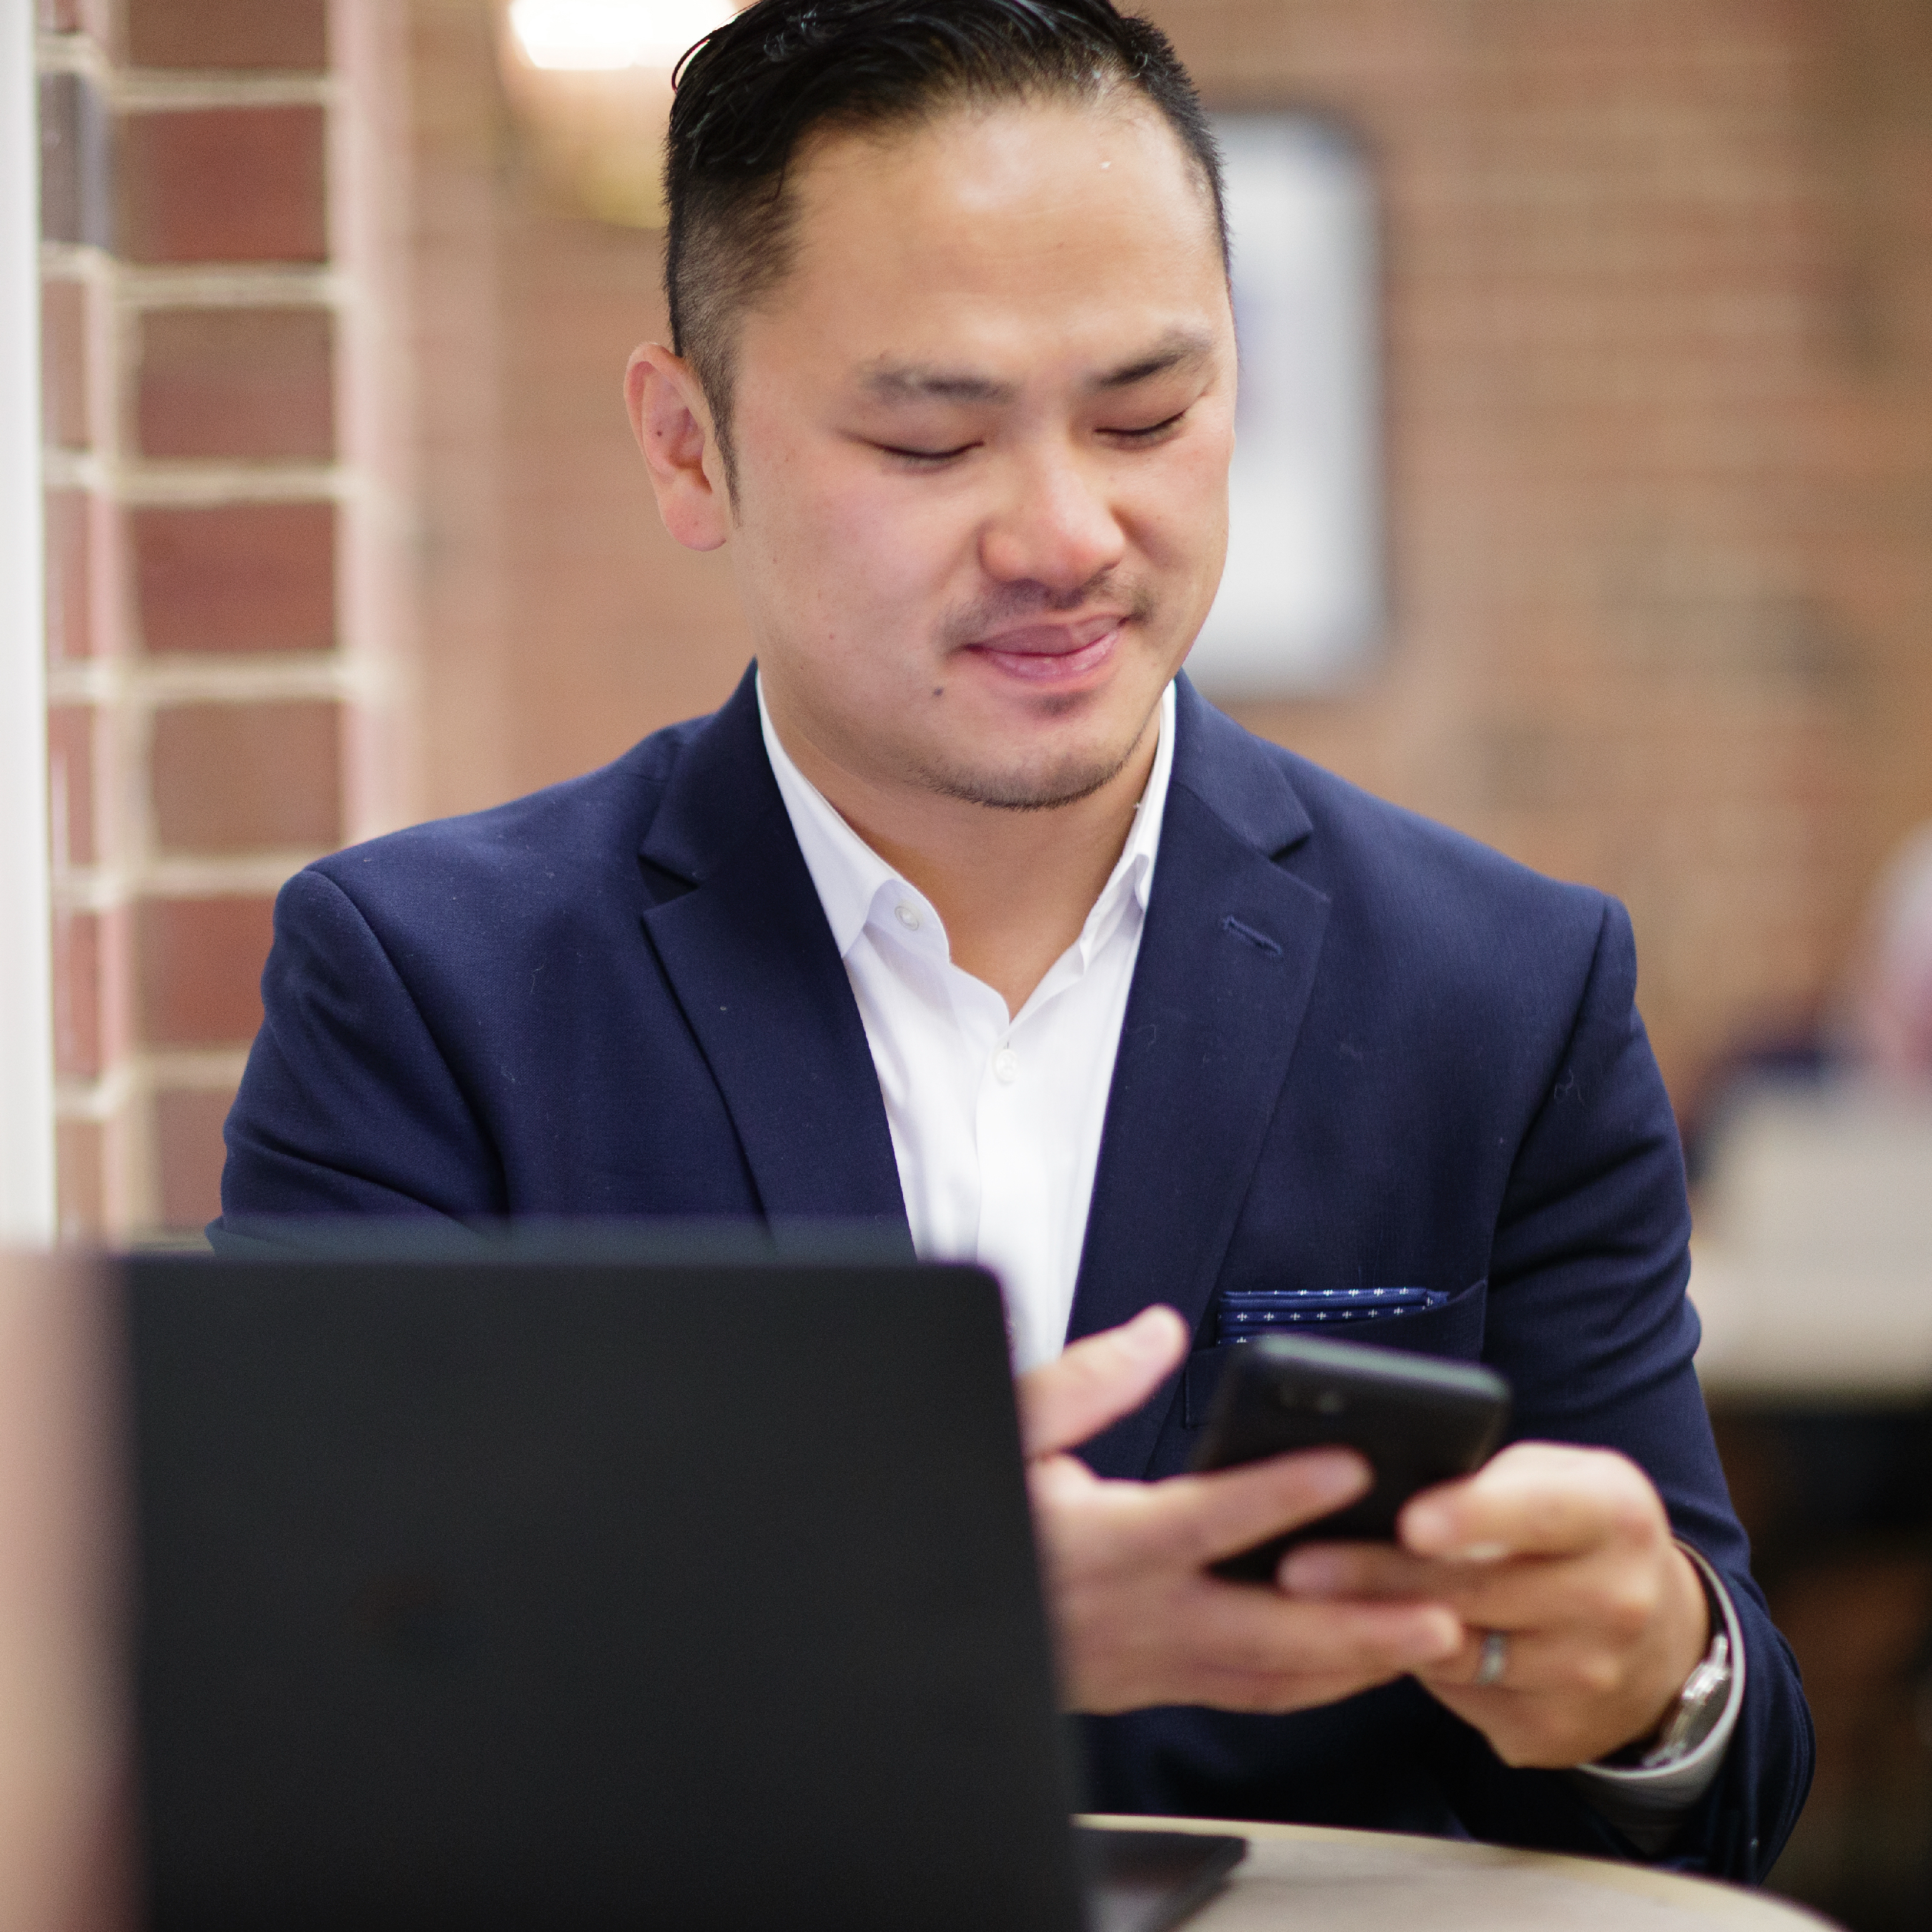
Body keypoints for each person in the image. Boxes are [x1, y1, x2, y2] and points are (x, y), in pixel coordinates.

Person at [218, 0, 1810, 1878]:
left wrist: (1656, 1672)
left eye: (1147, 413)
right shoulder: (427, 988)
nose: (1065, 532)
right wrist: (878, 1628)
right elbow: (282, 1737)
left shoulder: (1501, 989)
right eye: (925, 439)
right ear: (687, 447)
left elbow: (1721, 1785)